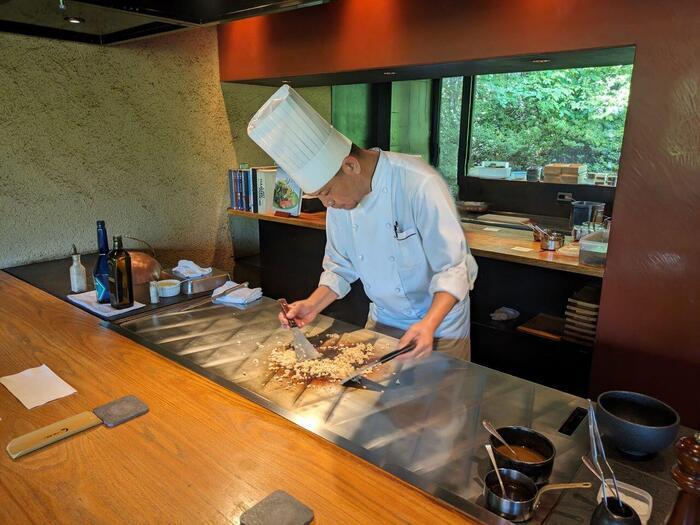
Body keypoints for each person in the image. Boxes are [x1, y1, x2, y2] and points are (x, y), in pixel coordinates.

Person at [248, 85, 478, 361]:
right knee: (376, 400)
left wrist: (428, 325)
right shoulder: (342, 200)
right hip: (383, 322)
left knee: (442, 403)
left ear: (350, 166)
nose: (326, 204)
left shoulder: (418, 182)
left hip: (440, 328)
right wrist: (312, 305)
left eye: (326, 192)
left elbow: (454, 269)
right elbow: (340, 266)